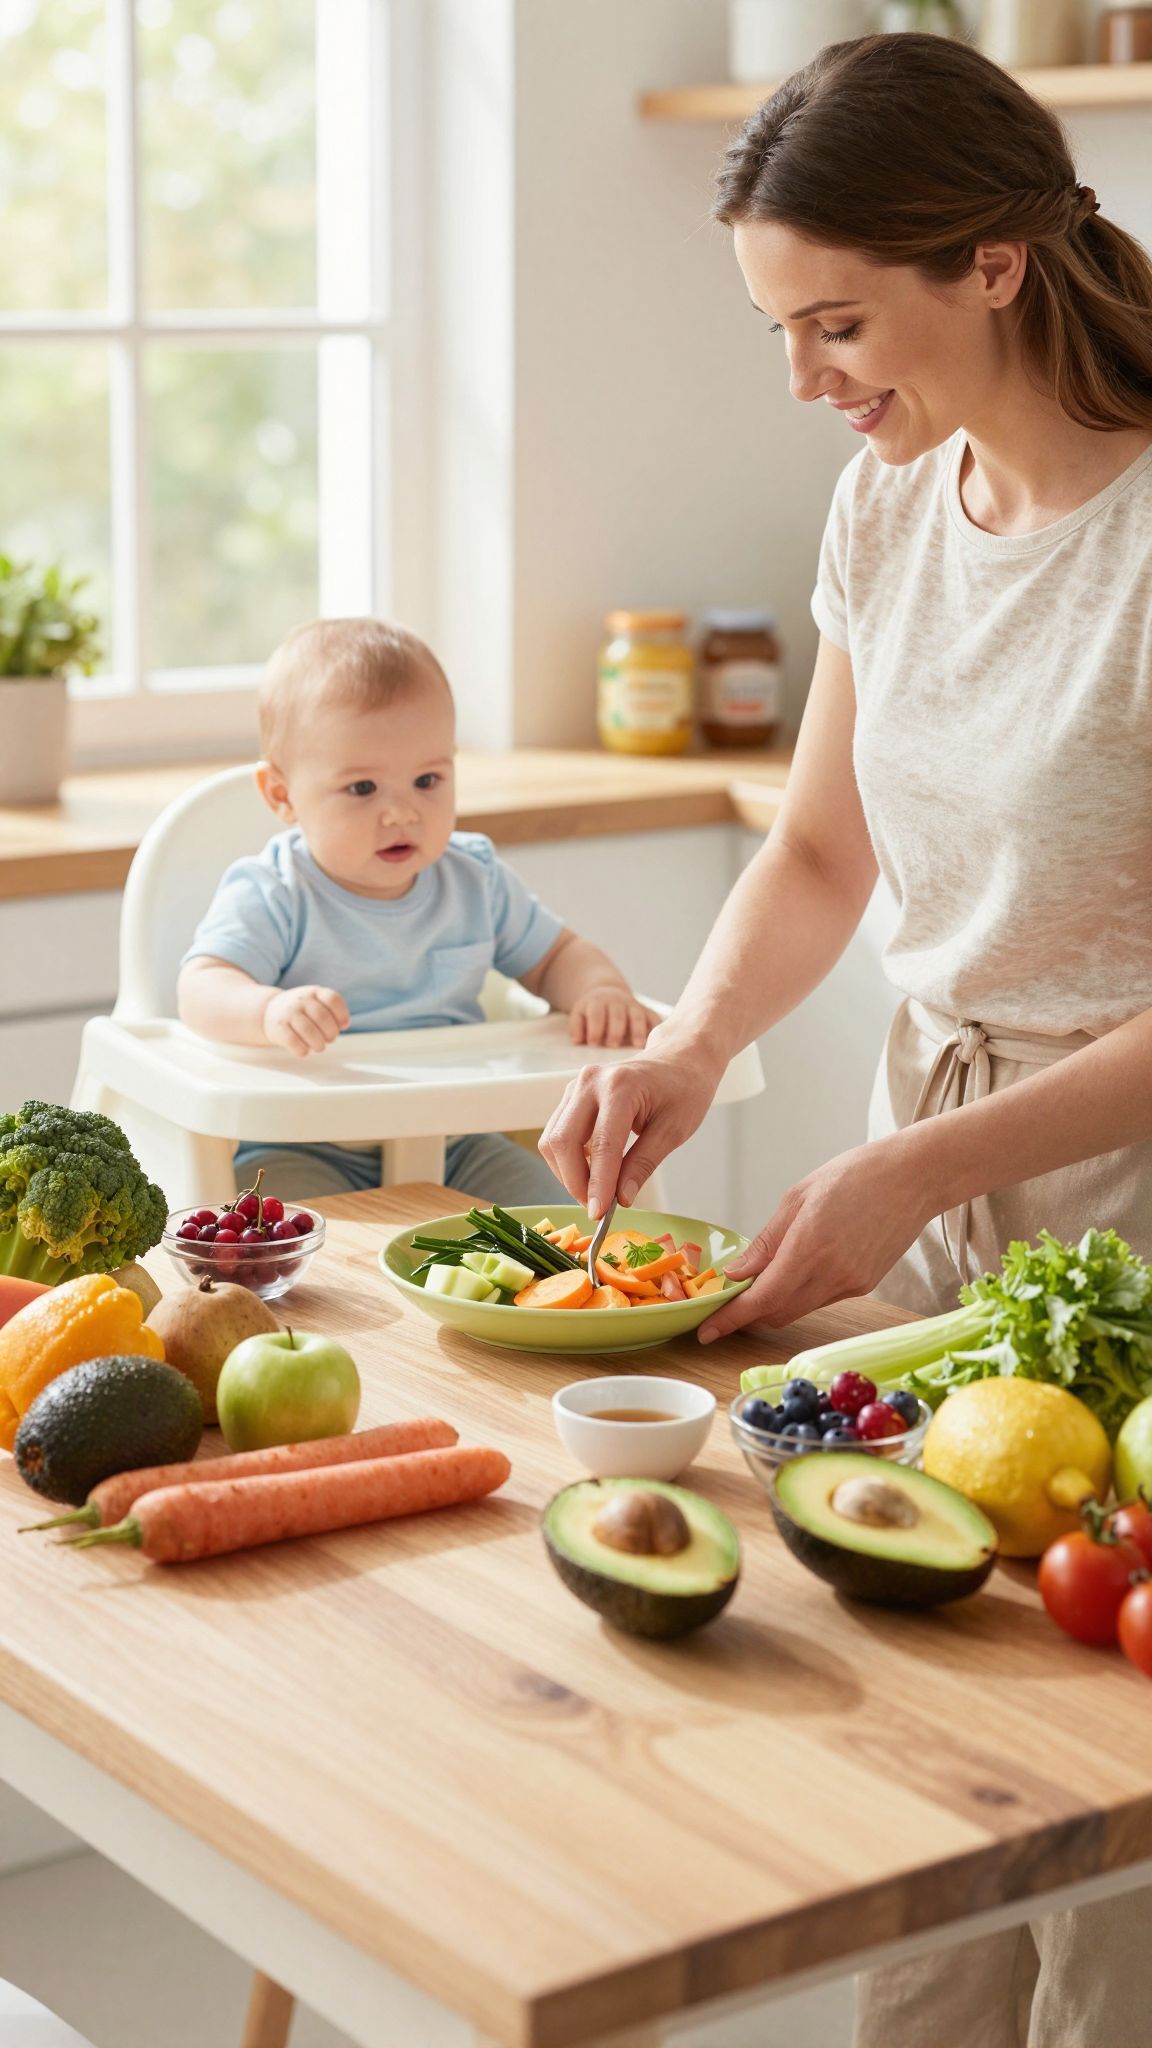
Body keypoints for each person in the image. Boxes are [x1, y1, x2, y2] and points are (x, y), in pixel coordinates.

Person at [540, 32, 1152, 2048]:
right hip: (939, 1151)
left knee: (1108, 1839)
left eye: (836, 320)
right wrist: (698, 1040)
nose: (805, 377)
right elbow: (821, 841)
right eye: (780, 327)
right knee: (919, 1753)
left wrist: (912, 1170)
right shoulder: (892, 505)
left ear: (991, 261)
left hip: (1123, 1209)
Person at [178, 615, 656, 1204]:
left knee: (560, 1219)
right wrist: (269, 1010)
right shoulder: (275, 891)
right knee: (287, 1241)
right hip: (304, 1144)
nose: (402, 813)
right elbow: (201, 987)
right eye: (363, 789)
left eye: (427, 780)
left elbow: (557, 955)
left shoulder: (473, 880)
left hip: (458, 1143)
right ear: (282, 795)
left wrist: (598, 991)